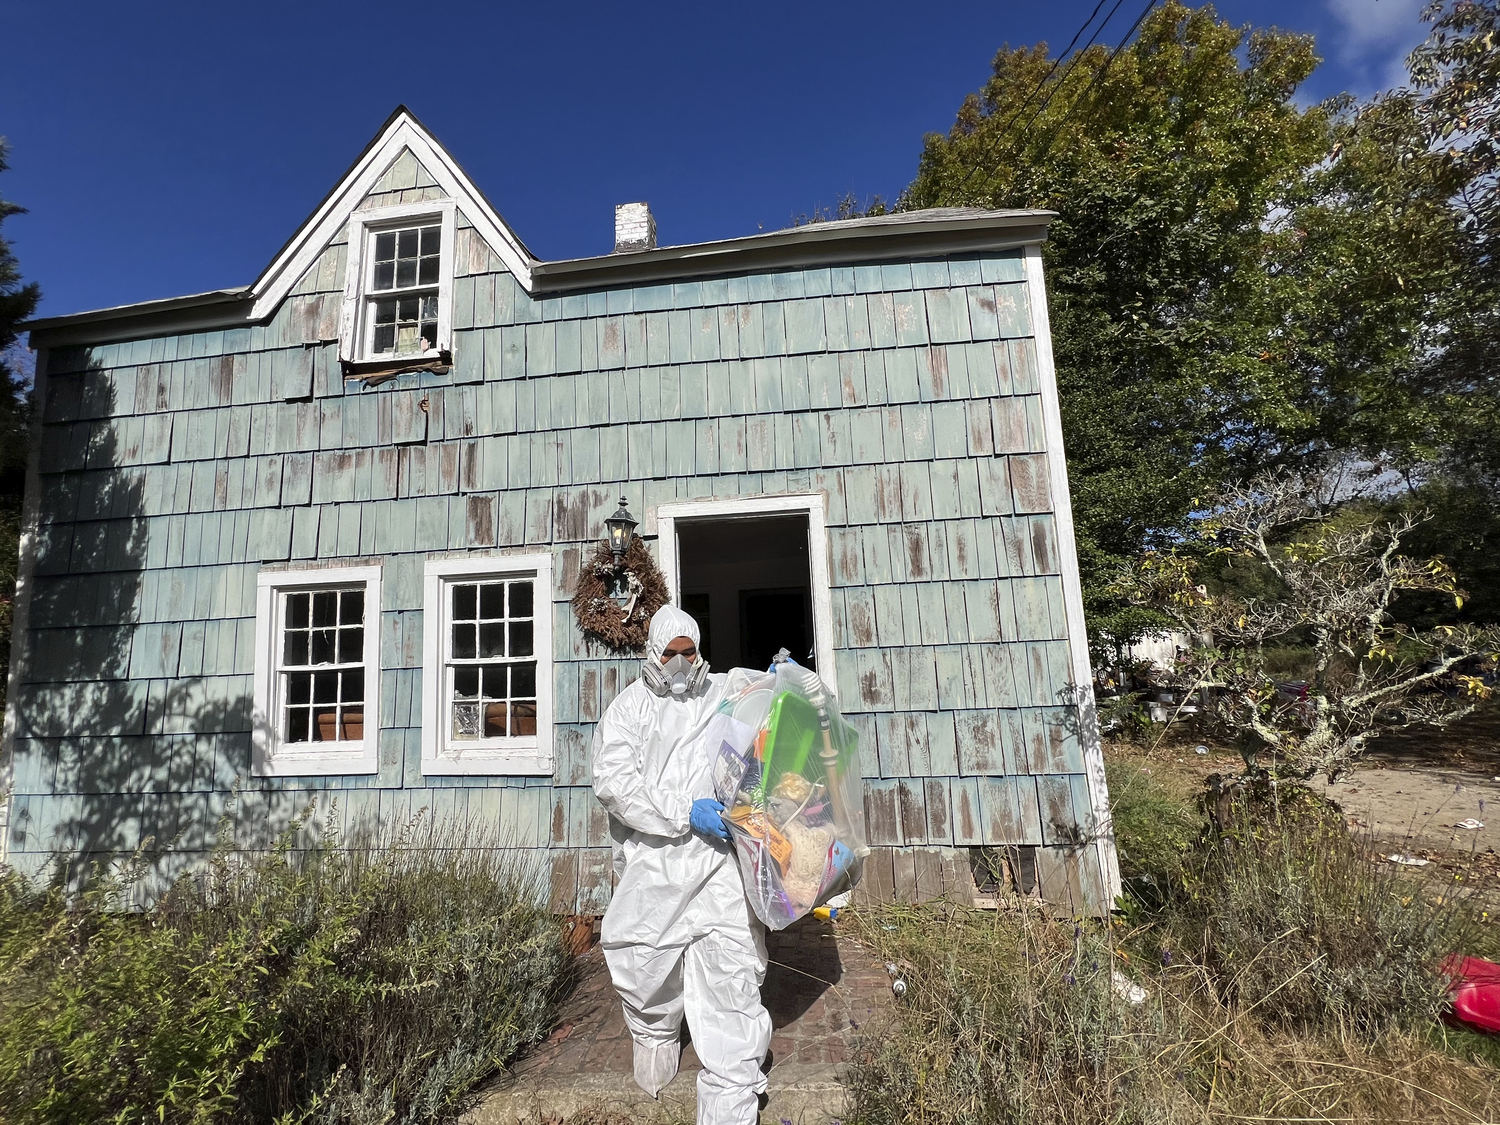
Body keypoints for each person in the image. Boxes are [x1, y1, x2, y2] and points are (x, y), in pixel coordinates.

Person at [591, 604, 772, 1125]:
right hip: (657, 862)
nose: (677, 662)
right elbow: (615, 785)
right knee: (641, 960)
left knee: (732, 974)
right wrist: (681, 813)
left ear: (698, 651)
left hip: (718, 863)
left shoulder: (718, 693)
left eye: (687, 652)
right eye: (668, 653)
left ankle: (730, 1103)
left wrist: (778, 682)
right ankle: (656, 1035)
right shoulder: (629, 710)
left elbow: (755, 706)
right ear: (652, 651)